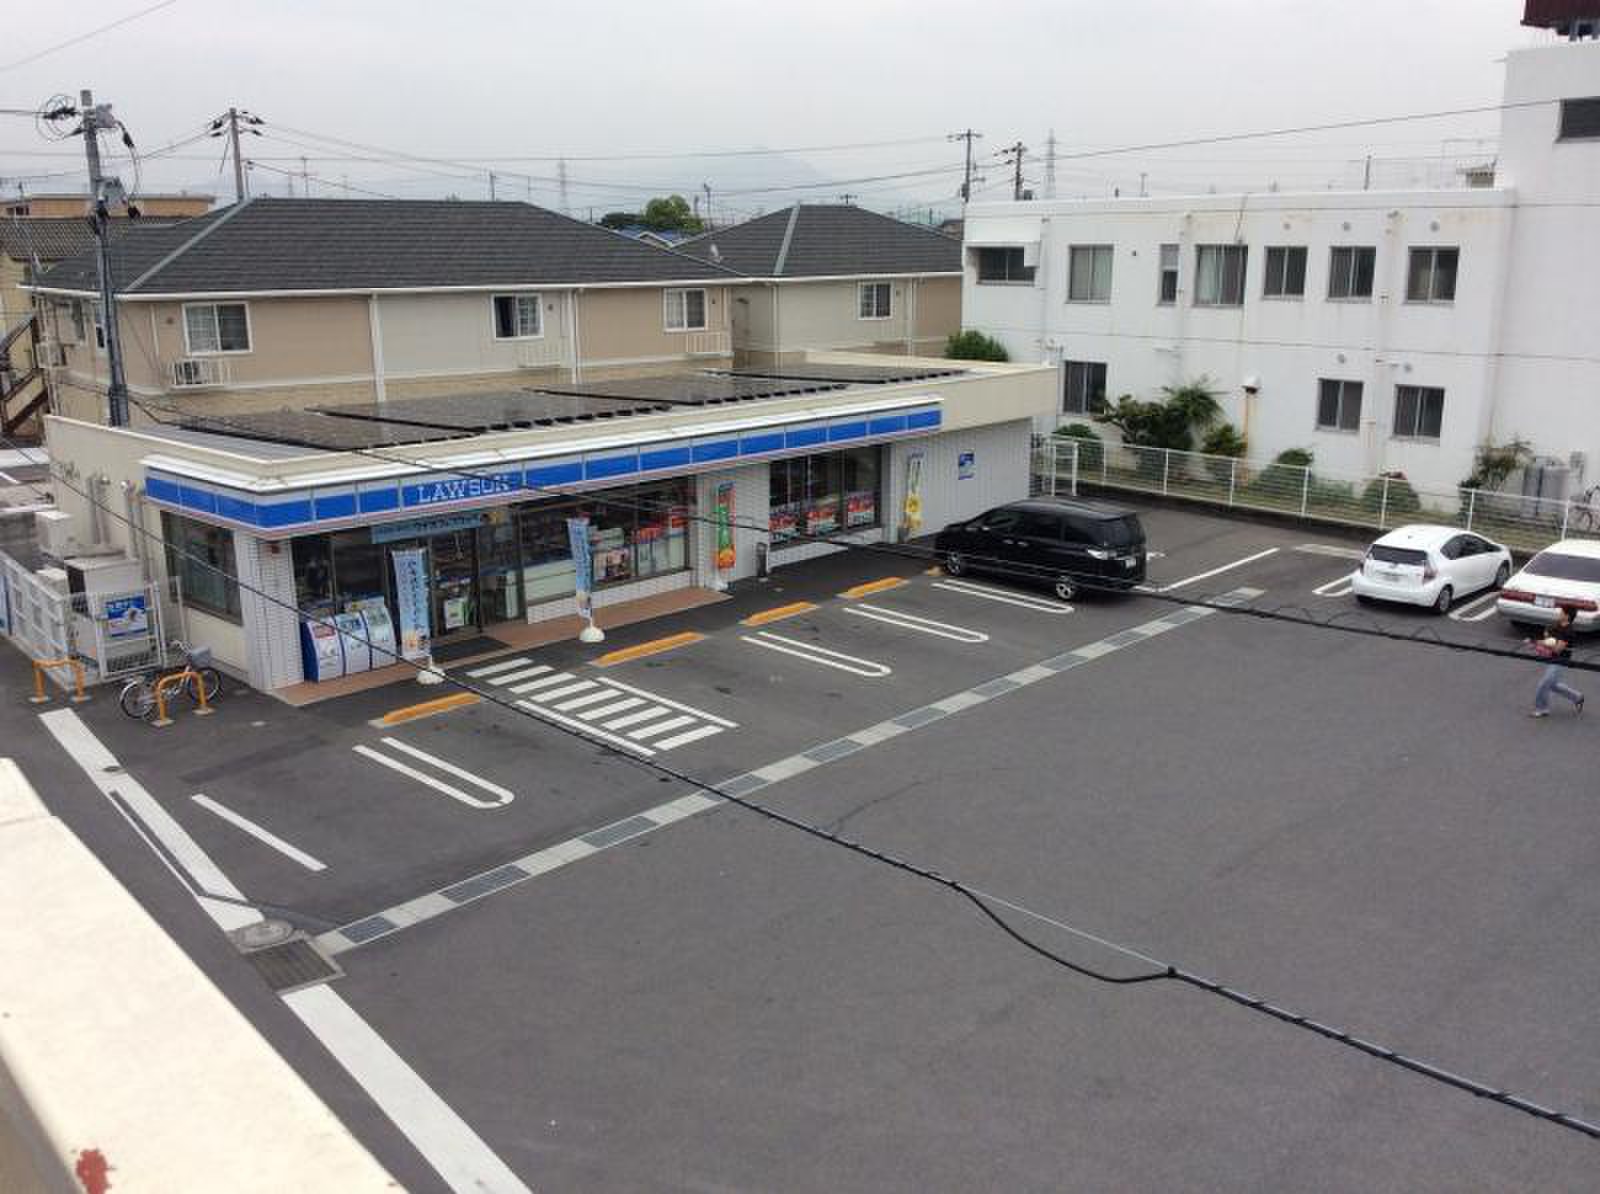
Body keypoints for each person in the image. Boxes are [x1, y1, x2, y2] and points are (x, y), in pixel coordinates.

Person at [1528, 605, 1585, 718]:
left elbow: (1558, 649)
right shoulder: (1556, 625)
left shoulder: (1569, 631)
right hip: (1552, 658)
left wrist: (1543, 643)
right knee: (1552, 685)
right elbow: (1547, 636)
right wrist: (1535, 642)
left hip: (1560, 661)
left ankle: (1541, 708)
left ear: (1567, 616)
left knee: (1544, 684)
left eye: (1561, 612)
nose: (1559, 614)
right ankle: (1577, 697)